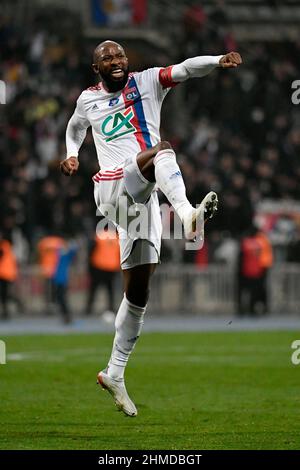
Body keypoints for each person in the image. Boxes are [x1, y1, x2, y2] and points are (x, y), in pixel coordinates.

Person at [61, 41, 242, 416]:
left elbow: (185, 68)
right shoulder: (87, 99)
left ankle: (115, 372)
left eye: (120, 56)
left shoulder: (147, 82)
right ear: (96, 67)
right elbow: (76, 126)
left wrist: (217, 60)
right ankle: (189, 214)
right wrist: (72, 154)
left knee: (138, 294)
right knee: (161, 150)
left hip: (140, 203)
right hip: (111, 187)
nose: (115, 61)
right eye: (107, 58)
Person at [85, 227, 120, 316]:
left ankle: (89, 308)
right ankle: (111, 308)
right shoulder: (117, 237)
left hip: (99, 266)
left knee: (94, 288)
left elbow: (92, 250)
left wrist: (90, 267)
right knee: (110, 289)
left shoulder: (99, 236)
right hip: (112, 267)